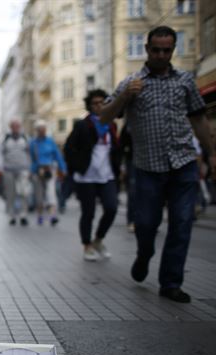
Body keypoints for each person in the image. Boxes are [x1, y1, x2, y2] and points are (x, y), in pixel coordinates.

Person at [100, 26, 216, 303]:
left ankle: (171, 282)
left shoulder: (185, 81)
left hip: (183, 162)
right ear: (147, 49)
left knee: (182, 222)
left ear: (172, 50)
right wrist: (125, 96)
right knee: (147, 224)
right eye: (156, 50)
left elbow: (199, 119)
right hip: (148, 167)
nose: (162, 55)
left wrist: (211, 153)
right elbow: (104, 117)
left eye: (167, 50)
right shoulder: (132, 82)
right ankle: (144, 254)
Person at [64, 89, 121, 261]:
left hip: (107, 175)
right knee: (88, 212)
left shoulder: (112, 125)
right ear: (89, 106)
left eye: (102, 102)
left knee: (111, 208)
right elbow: (69, 148)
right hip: (86, 176)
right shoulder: (83, 125)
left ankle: (98, 239)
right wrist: (76, 167)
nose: (99, 106)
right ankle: (87, 245)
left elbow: (115, 149)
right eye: (95, 103)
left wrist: (119, 167)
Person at [29, 120, 67, 226]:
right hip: (37, 171)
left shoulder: (50, 141)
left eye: (43, 129)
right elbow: (31, 159)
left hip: (50, 171)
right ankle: (40, 217)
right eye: (40, 129)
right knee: (39, 196)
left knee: (51, 194)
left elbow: (57, 156)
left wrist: (63, 168)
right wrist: (31, 171)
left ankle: (52, 217)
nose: (42, 131)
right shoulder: (33, 143)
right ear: (37, 130)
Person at [0, 119, 31, 226]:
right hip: (9, 170)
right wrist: (0, 167)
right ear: (10, 127)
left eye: (17, 126)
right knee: (11, 194)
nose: (15, 128)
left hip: (23, 169)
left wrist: (30, 168)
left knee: (23, 192)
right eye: (13, 126)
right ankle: (12, 216)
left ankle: (23, 215)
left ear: (20, 127)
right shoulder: (5, 138)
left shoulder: (25, 138)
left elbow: (30, 153)